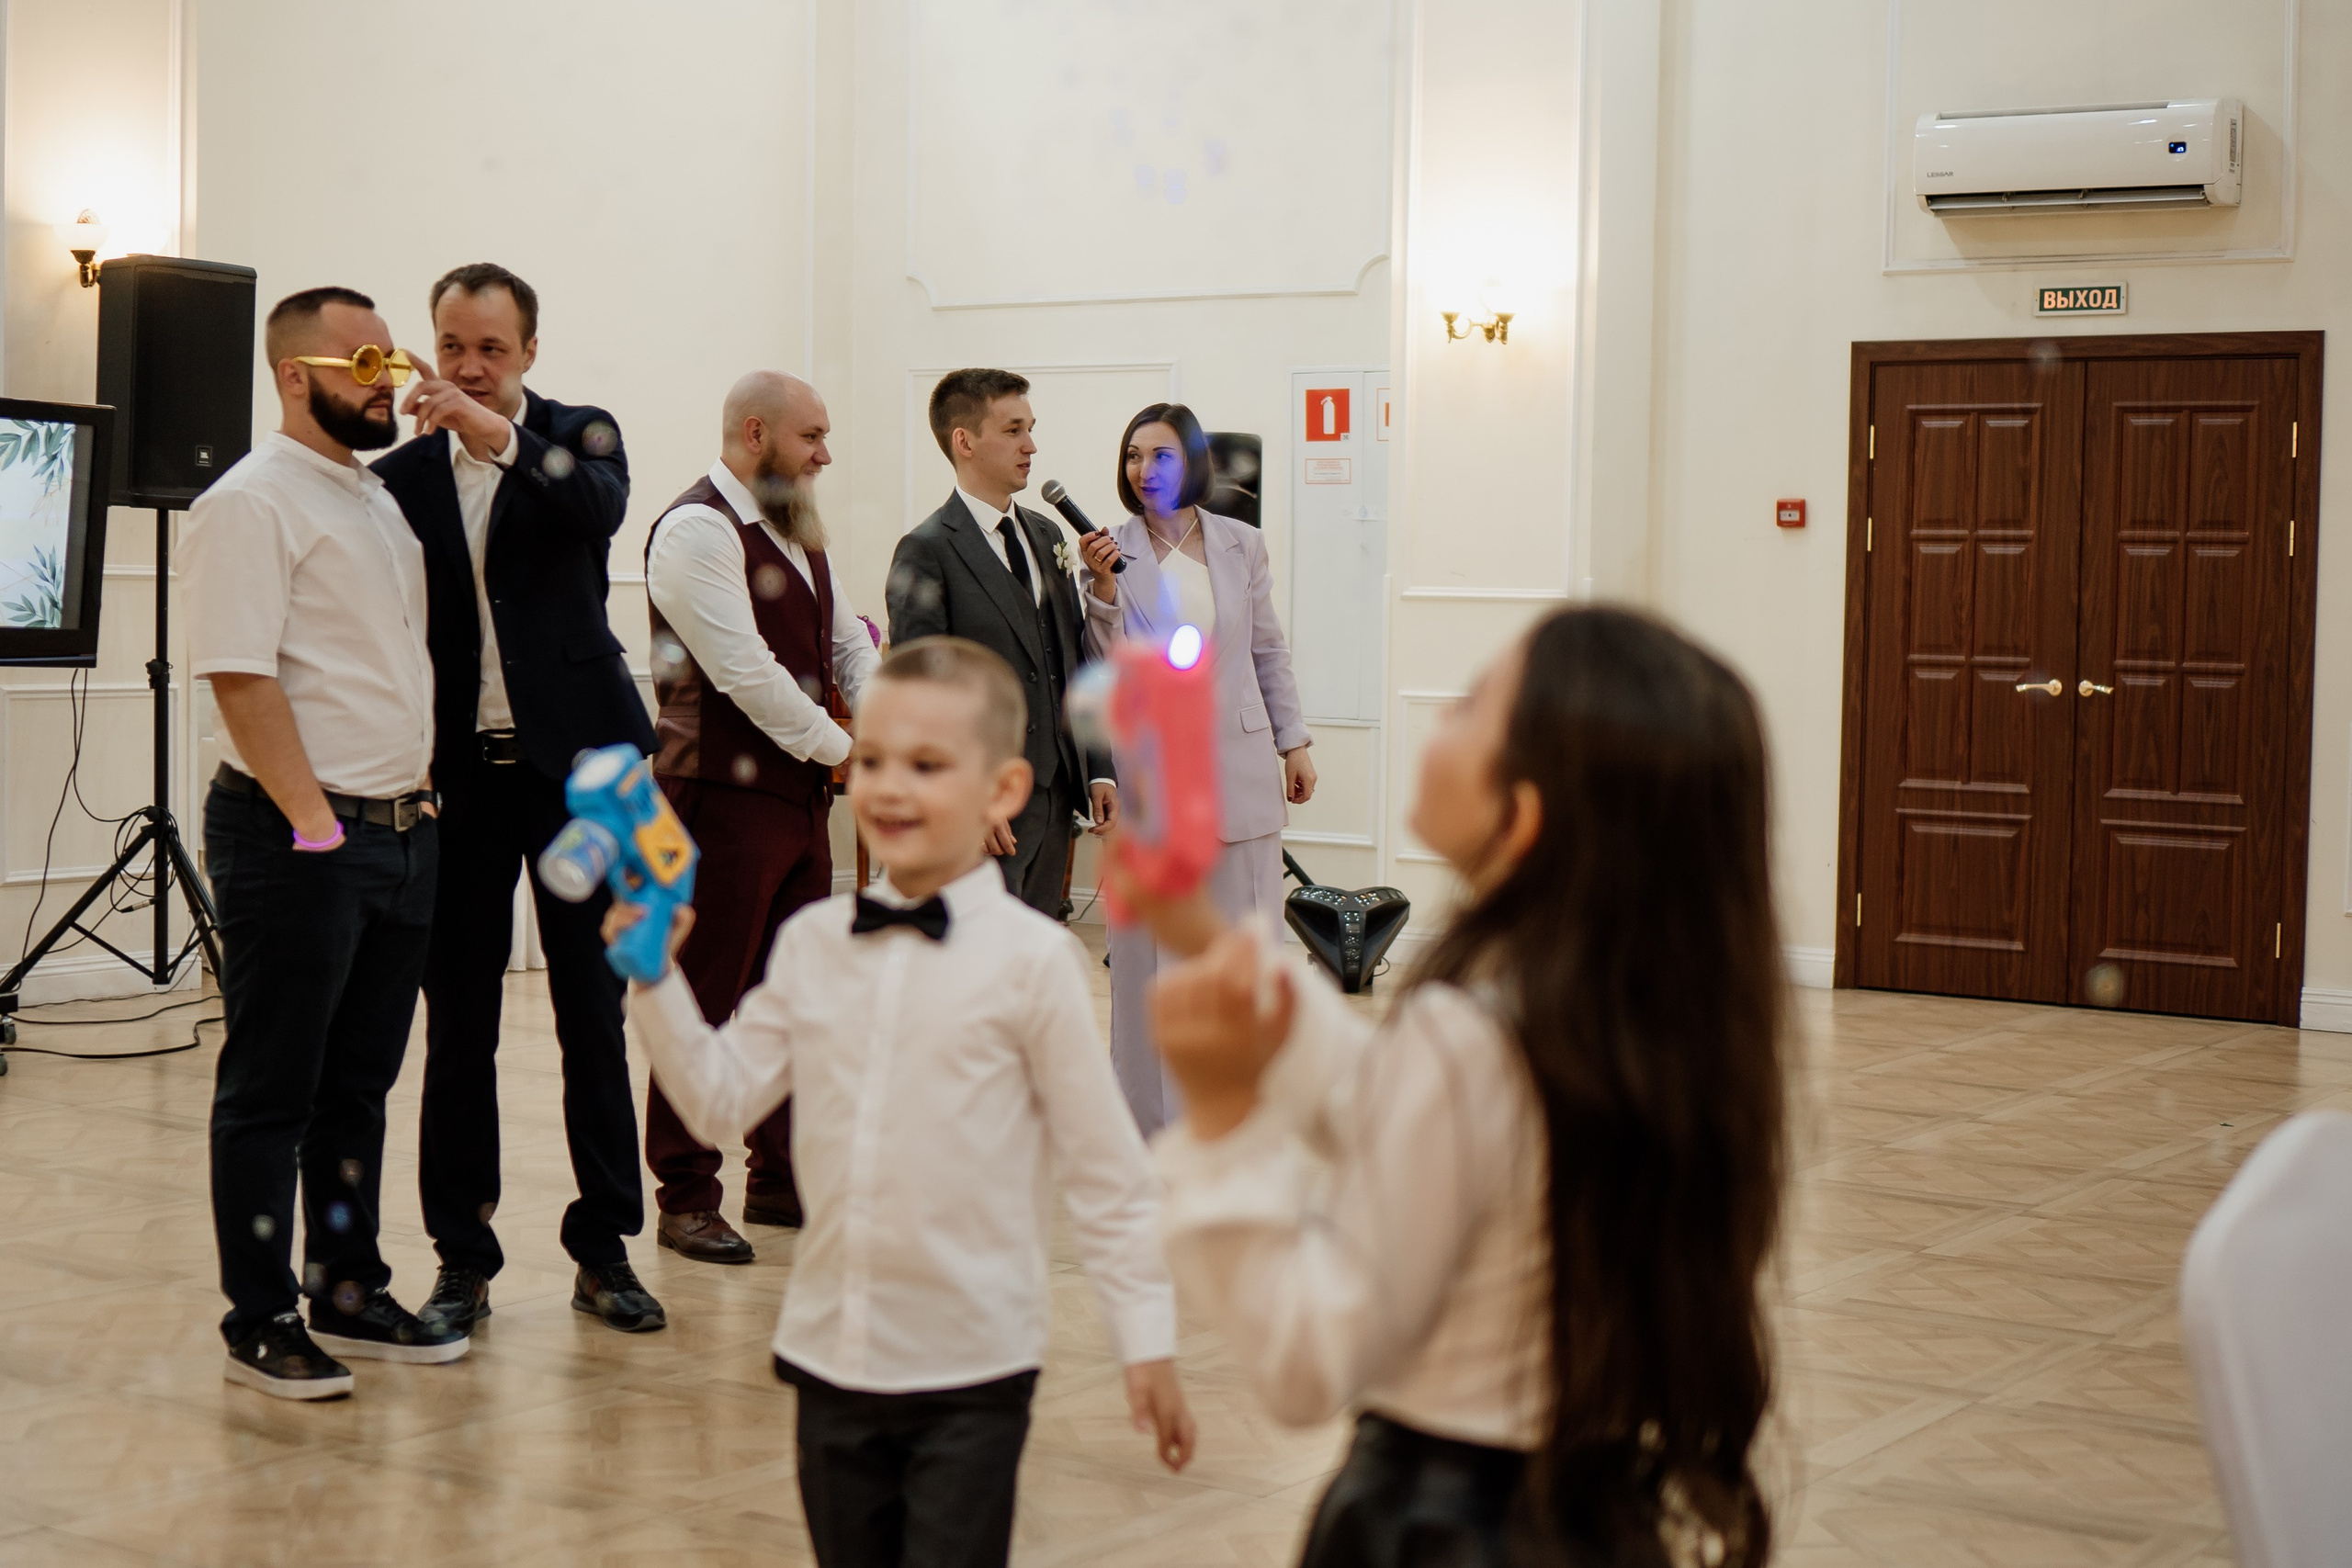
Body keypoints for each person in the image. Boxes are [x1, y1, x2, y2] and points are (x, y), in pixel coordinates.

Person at [1125, 606, 1788, 1567]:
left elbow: (1308, 1362)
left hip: (1439, 1526)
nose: (1438, 718)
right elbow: (1397, 1107)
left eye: (1471, 705)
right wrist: (1219, 945)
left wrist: (1222, 1129)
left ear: (1521, 818)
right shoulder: (1614, 1016)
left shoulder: (1467, 1033)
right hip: (1586, 1514)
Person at [621, 637, 1193, 1568]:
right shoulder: (812, 943)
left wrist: (1148, 1344)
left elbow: (1107, 1178)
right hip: (827, 1360)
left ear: (1003, 792)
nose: (889, 787)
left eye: (927, 766)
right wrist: (653, 979)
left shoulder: (1032, 963)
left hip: (973, 1370)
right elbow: (721, 1099)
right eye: (874, 758)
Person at [370, 262, 663, 1335]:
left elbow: (598, 509)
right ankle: (462, 1257)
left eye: (492, 348)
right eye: (452, 347)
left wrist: (494, 434)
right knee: (460, 1026)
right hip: (458, 783)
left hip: (581, 775)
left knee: (592, 1014)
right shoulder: (400, 477)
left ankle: (606, 1250)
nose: (469, 368)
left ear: (530, 351)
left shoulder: (581, 435)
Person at [186, 287, 466, 1398]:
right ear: (294, 376)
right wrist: (312, 820)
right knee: (273, 1088)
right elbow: (242, 675)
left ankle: (346, 1287)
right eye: (361, 360)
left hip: (401, 833)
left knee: (358, 1085)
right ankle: (256, 1314)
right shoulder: (250, 502)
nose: (387, 378)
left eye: (390, 355)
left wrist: (418, 801)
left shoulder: (373, 500)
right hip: (300, 834)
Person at [639, 370, 878, 1263]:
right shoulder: (697, 528)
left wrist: (890, 729)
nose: (824, 454)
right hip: (718, 799)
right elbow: (743, 672)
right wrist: (847, 752)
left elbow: (848, 643)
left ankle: (778, 1176)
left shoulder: (795, 523)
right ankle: (685, 1192)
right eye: (810, 436)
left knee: (795, 993)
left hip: (798, 799)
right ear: (754, 433)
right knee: (703, 998)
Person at [1081, 402, 1314, 1135]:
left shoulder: (1240, 543)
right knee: (1150, 958)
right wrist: (1105, 590)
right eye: (1133, 457)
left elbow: (1266, 650)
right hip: (1153, 776)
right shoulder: (1106, 548)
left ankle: (1246, 1117)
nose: (1144, 471)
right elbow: (1100, 664)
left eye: (1161, 456)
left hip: (1240, 767)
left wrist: (1294, 740)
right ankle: (1152, 1131)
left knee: (1245, 942)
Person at [885, 369, 1115, 916]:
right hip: (982, 805)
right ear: (964, 441)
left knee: (1029, 962)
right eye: (1013, 430)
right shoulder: (926, 550)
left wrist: (1100, 766)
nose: (1030, 445)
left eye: (1030, 429)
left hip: (1057, 792)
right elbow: (922, 697)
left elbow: (1076, 659)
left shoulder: (1048, 534)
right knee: (971, 963)